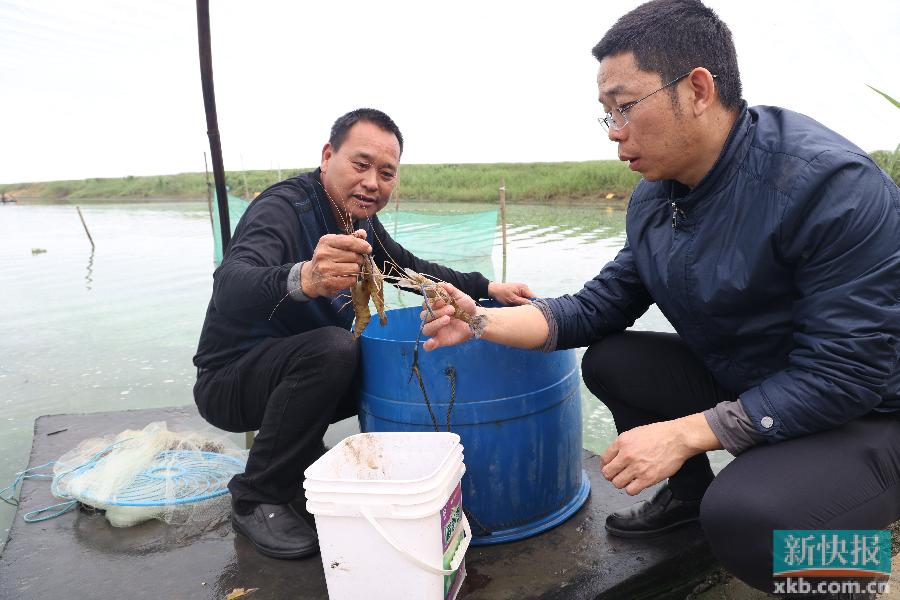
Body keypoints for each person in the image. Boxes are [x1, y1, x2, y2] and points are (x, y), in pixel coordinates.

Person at [421, 0, 900, 593]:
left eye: (625, 107)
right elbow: (598, 307)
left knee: (749, 522)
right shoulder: (658, 197)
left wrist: (686, 432)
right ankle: (686, 498)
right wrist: (481, 320)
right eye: (606, 114)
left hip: (867, 412)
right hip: (759, 376)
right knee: (613, 359)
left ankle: (861, 572)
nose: (615, 132)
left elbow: (849, 372)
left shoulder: (829, 186)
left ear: (698, 89)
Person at [192, 108, 534, 559]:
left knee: (381, 361)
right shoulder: (283, 208)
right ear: (328, 155)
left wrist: (487, 286)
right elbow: (230, 283)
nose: (373, 182)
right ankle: (259, 494)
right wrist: (305, 277)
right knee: (334, 348)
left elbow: (409, 270)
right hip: (229, 381)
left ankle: (298, 458)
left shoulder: (358, 218)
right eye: (361, 164)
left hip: (287, 374)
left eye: (386, 173)